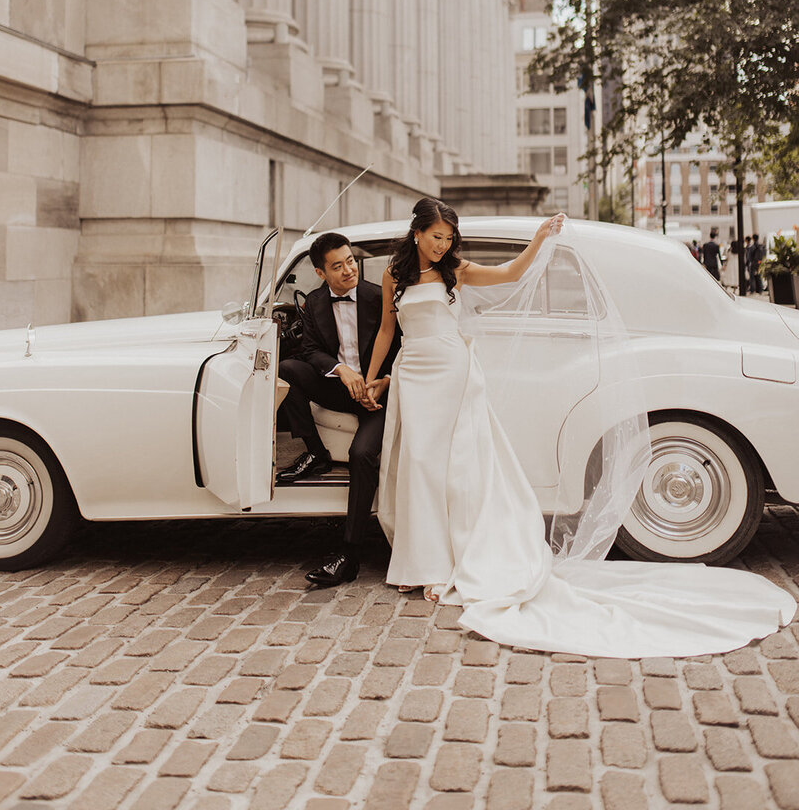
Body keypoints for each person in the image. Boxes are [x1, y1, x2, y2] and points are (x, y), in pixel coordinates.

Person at [363, 197, 795, 658]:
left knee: (456, 469)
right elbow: (388, 331)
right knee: (421, 466)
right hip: (413, 374)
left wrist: (539, 240)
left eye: (449, 238)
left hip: (452, 372)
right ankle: (422, 560)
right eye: (436, 237)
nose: (442, 245)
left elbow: (510, 274)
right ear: (417, 233)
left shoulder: (457, 270)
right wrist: (373, 376)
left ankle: (448, 563)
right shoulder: (395, 274)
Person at [276, 232, 399, 587]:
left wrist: (382, 381)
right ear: (320, 272)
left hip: (379, 393)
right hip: (341, 387)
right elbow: (311, 351)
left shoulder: (379, 297)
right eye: (337, 266)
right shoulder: (314, 303)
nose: (348, 271)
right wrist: (341, 371)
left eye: (350, 261)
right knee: (288, 369)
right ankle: (316, 453)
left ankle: (349, 554)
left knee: (362, 454)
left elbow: (403, 347)